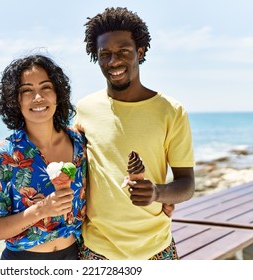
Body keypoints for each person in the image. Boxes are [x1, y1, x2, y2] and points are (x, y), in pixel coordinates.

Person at [74, 7, 195, 260]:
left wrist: (157, 193)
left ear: (139, 52)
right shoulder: (84, 109)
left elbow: (187, 184)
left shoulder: (171, 111)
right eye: (104, 54)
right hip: (97, 250)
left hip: (155, 248)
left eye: (123, 52)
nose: (113, 61)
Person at [0, 54, 87, 260]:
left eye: (46, 87)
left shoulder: (80, 143)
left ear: (57, 94)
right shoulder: (4, 156)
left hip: (74, 256)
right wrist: (41, 209)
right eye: (27, 90)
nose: (38, 97)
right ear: (14, 100)